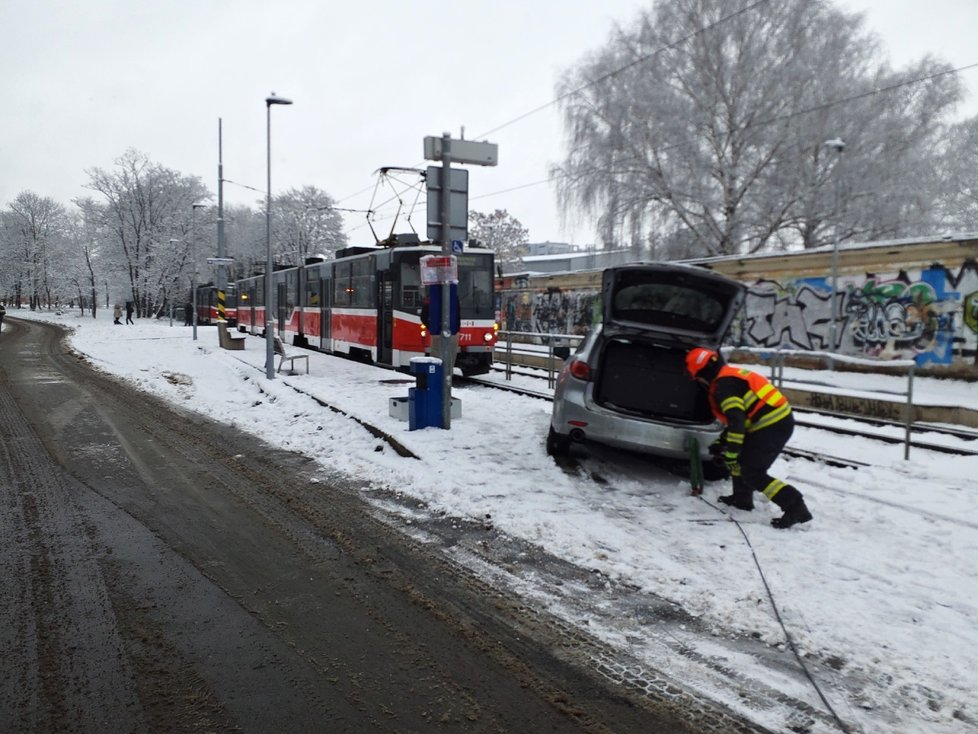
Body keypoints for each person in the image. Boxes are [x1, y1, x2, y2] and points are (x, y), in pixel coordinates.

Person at [685, 347, 813, 529]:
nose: (700, 382)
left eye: (698, 378)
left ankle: (795, 507)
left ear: (703, 373)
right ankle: (742, 498)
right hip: (770, 422)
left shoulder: (724, 387)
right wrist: (723, 442)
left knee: (753, 473)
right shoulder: (728, 377)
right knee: (741, 461)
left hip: (772, 425)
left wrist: (731, 451)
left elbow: (737, 421)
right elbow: (739, 420)